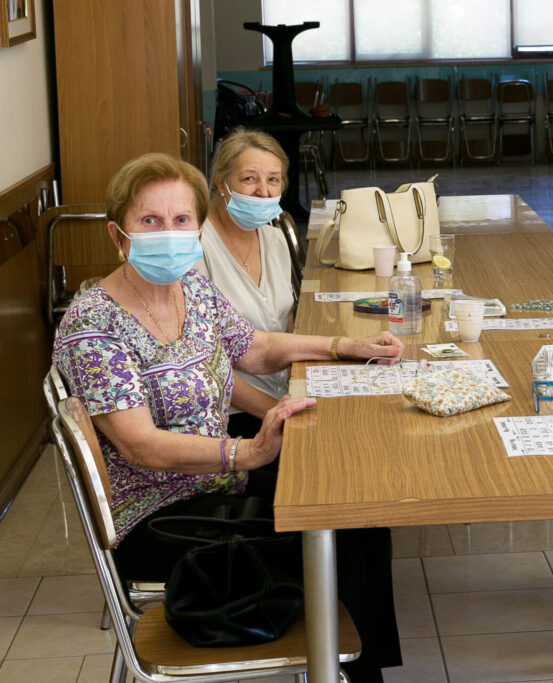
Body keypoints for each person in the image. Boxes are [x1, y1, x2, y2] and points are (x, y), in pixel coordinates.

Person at [52, 153, 404, 682]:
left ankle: (360, 663)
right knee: (337, 534)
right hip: (157, 517)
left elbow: (257, 349)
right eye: (150, 221)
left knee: (359, 505)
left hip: (212, 484)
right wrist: (248, 451)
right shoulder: (93, 325)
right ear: (117, 234)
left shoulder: (191, 287)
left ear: (198, 227)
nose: (167, 233)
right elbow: (141, 446)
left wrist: (346, 344)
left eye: (180, 220)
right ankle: (349, 667)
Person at [195, 128, 295, 439]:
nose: (264, 192)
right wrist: (277, 412)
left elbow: (286, 320)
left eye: (273, 180)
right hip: (230, 414)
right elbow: (204, 364)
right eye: (250, 179)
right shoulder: (197, 246)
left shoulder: (274, 238)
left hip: (282, 393)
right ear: (220, 183)